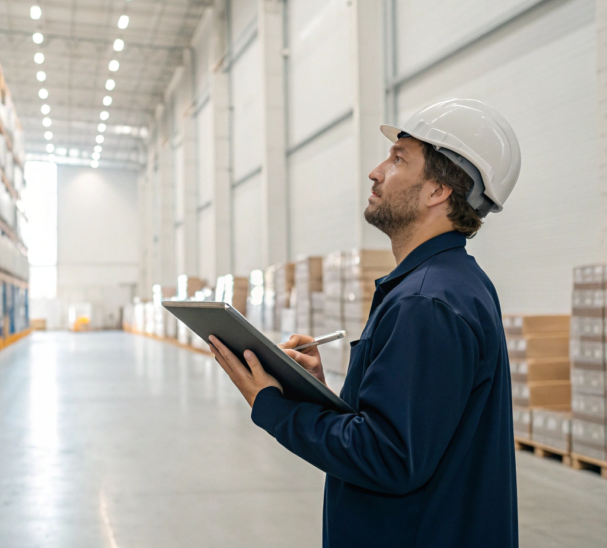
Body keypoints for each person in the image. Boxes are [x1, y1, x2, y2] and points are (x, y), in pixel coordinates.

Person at [209, 99, 522, 547]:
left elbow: (388, 457)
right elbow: (403, 428)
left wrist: (274, 406)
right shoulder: (452, 283)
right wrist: (311, 391)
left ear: (438, 191)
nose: (376, 172)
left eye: (398, 160)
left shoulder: (425, 303)